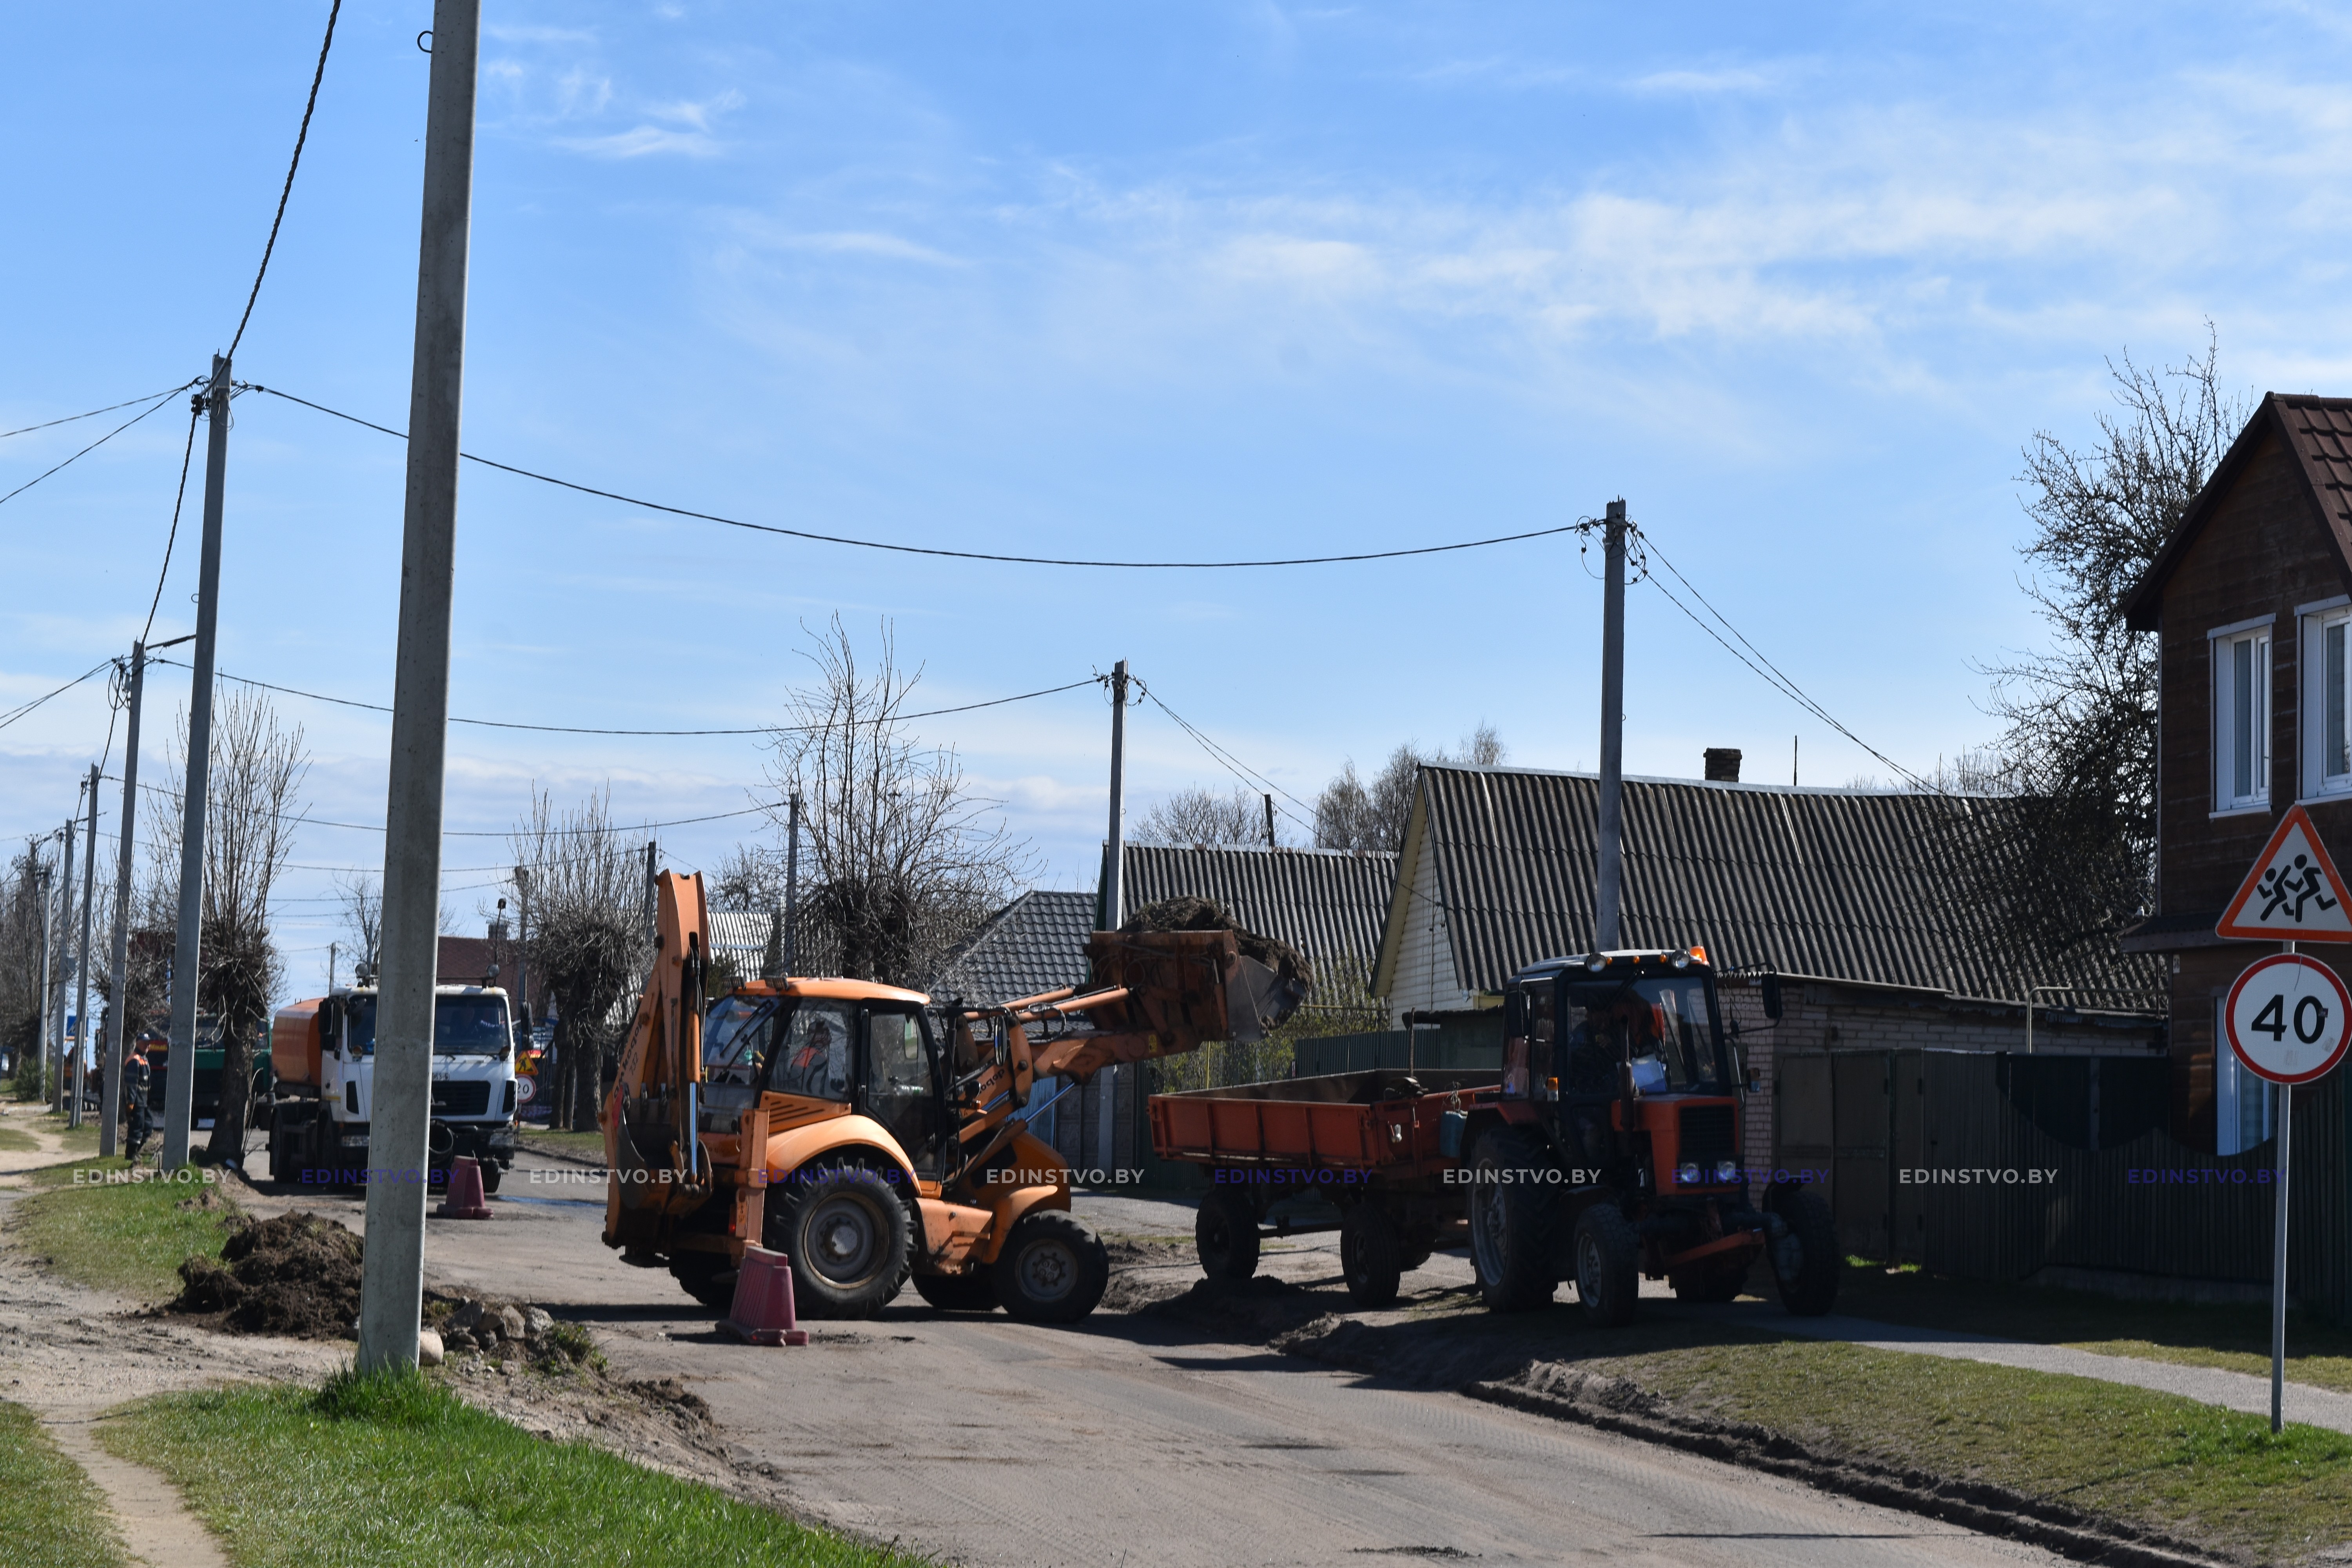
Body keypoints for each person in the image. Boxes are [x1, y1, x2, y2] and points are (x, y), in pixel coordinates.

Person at [122, 1049, 153, 1163]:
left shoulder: (144, 1059)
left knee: (148, 1126)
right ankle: (131, 1155)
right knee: (137, 1128)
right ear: (138, 1043)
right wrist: (131, 1102)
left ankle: (136, 1152)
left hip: (144, 1101)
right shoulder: (134, 1060)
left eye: (148, 1043)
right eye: (144, 1042)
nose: (147, 1045)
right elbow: (131, 1084)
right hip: (137, 1101)